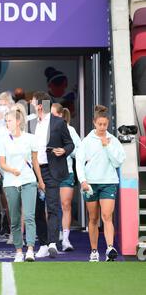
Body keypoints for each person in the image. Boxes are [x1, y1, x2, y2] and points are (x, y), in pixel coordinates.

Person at [76, 105, 126, 262]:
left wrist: (108, 145)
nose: (103, 127)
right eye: (100, 124)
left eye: (105, 124)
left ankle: (110, 248)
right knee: (93, 218)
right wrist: (83, 181)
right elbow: (79, 162)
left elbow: (118, 162)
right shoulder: (86, 141)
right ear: (94, 123)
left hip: (108, 182)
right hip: (90, 184)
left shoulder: (114, 140)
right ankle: (94, 251)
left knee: (107, 215)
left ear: (108, 123)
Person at [0, 105, 44, 262]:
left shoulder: (30, 138)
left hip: (29, 181)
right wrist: (12, 170)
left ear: (18, 121)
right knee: (16, 219)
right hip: (10, 182)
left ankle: (30, 249)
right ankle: (18, 251)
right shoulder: (3, 140)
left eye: (9, 120)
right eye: (6, 121)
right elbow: (1, 163)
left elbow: (35, 162)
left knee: (29, 216)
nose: (7, 123)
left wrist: (40, 181)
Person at [31, 91, 74, 258]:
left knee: (53, 207)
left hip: (52, 169)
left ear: (40, 106)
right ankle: (42, 243)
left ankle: (52, 243)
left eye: (34, 103)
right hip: (34, 170)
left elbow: (70, 144)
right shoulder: (31, 123)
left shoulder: (58, 122)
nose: (32, 106)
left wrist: (63, 150)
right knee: (37, 210)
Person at [51, 104, 81, 251]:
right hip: (49, 173)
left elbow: (78, 150)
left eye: (53, 115)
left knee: (66, 205)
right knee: (51, 207)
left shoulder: (70, 130)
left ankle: (66, 240)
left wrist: (65, 150)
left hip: (66, 172)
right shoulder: (44, 129)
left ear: (61, 116)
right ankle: (52, 240)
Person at [0, 91, 15, 235]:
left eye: (4, 105)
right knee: (3, 197)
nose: (2, 108)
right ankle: (10, 227)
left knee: (15, 199)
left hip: (13, 165)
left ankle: (15, 229)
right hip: (0, 164)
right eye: (0, 105)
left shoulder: (15, 122)